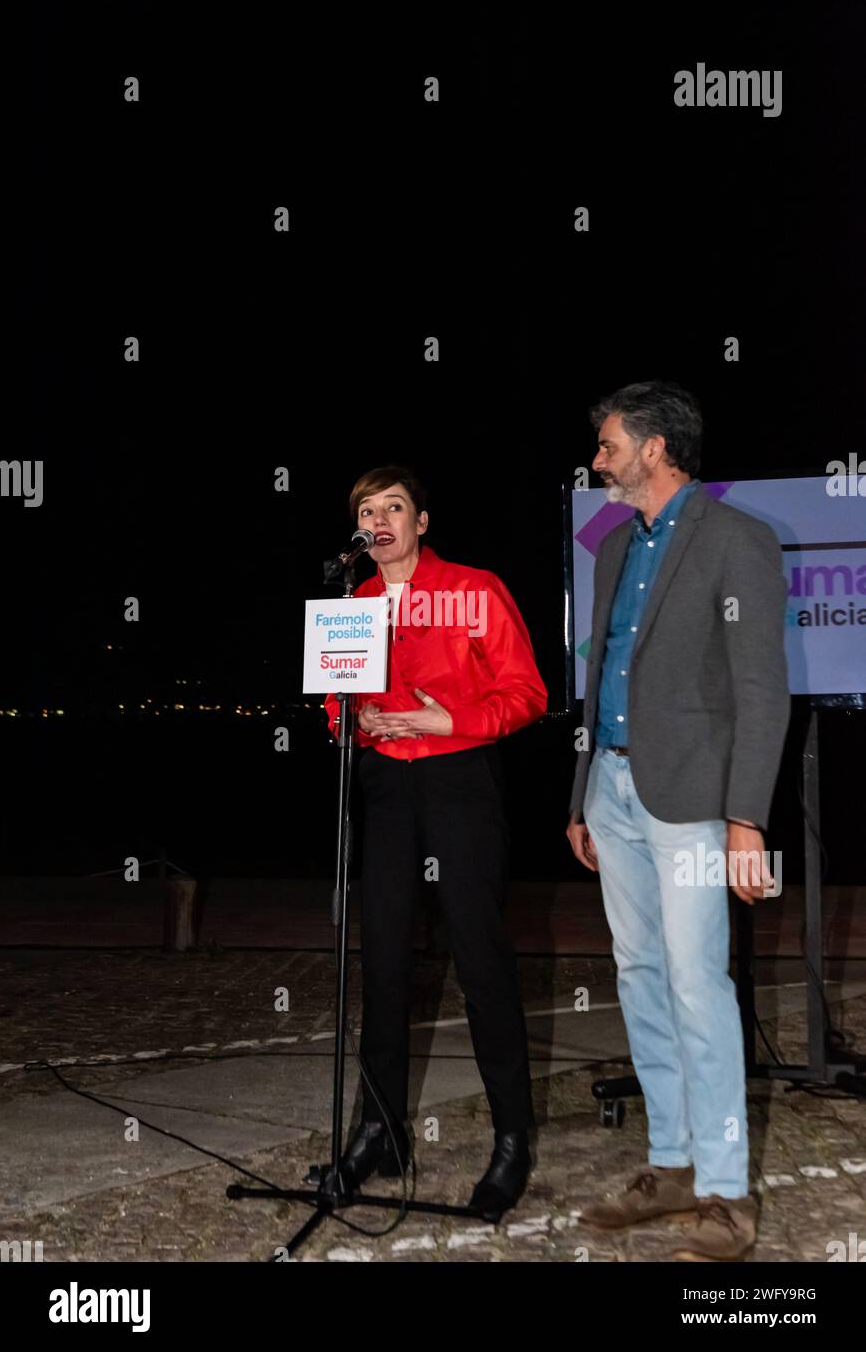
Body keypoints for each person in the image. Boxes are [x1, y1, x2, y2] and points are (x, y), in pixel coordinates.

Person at [566, 381, 789, 1260]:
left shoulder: (737, 540)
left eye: (609, 445)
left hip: (696, 804)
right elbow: (603, 674)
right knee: (639, 974)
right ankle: (670, 1165)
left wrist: (745, 820)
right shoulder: (615, 545)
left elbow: (759, 688)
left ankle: (727, 1192)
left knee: (699, 986)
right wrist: (580, 793)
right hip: (612, 795)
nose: (598, 460)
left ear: (655, 449)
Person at [324, 464, 547, 1219]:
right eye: (366, 509)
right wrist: (353, 723)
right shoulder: (350, 600)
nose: (379, 519)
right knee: (381, 959)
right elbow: (335, 701)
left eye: (394, 507)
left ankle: (512, 1139)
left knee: (480, 958)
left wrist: (442, 720)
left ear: (421, 523)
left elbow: (527, 695)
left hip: (458, 782)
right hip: (384, 790)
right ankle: (377, 1133)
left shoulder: (475, 591)